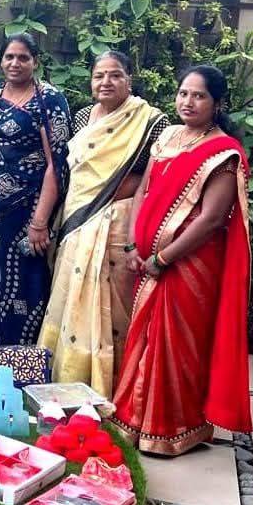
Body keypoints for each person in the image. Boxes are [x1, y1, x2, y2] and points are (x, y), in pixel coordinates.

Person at [111, 66, 252, 456]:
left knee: (177, 345)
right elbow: (143, 190)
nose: (188, 102)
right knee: (145, 337)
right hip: (148, 260)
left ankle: (174, 428)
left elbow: (211, 219)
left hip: (192, 265)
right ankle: (134, 420)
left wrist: (163, 257)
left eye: (199, 96)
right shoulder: (168, 136)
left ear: (217, 103)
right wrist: (135, 245)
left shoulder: (223, 152)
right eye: (183, 93)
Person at [38, 52, 169, 397]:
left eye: (115, 75)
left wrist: (107, 199)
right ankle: (69, 377)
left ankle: (114, 385)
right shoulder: (83, 117)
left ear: (129, 79)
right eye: (99, 76)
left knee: (114, 310)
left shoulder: (152, 121)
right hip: (76, 220)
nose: (106, 82)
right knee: (70, 299)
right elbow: (74, 170)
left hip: (119, 223)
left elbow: (151, 178)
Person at [0, 33, 71, 348]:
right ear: (0, 61)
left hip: (26, 215)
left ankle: (19, 358)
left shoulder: (49, 101)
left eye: (23, 57)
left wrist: (40, 222)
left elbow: (56, 164)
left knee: (22, 286)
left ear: (35, 61)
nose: (15, 63)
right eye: (9, 57)